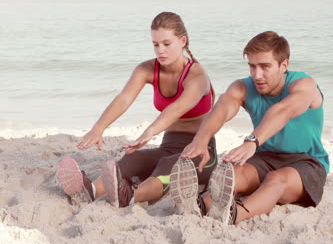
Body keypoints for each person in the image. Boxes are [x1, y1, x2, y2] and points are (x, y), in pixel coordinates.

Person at [57, 12, 217, 211]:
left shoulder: (197, 75)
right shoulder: (147, 69)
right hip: (168, 144)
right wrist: (98, 129)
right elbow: (124, 99)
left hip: (201, 151)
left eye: (167, 44)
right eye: (155, 44)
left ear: (182, 41)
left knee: (168, 166)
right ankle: (90, 189)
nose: (160, 50)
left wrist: (149, 132)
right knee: (133, 158)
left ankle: (130, 196)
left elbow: (177, 108)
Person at [179, 31, 329, 224]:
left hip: (307, 162)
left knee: (277, 179)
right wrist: (201, 139)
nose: (257, 75)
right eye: (252, 66)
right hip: (266, 157)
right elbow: (223, 108)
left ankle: (234, 216)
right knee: (234, 174)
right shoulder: (243, 87)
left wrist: (252, 142)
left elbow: (282, 111)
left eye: (265, 67)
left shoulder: (304, 85)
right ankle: (199, 206)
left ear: (284, 65)